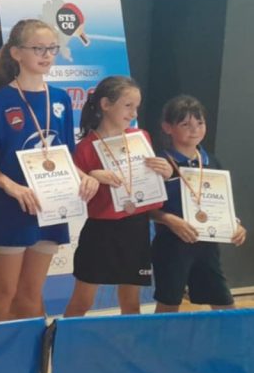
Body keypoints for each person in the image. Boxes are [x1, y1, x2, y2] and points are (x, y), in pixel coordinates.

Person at [0, 19, 98, 323]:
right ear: (16, 53)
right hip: (12, 206)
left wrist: (83, 176)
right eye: (38, 48)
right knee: (5, 291)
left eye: (52, 48)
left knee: (31, 292)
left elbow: (66, 156)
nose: (46, 55)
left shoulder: (60, 99)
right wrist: (11, 187)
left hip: (50, 206)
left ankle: (32, 350)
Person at [62, 76, 172, 317]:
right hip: (101, 231)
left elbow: (148, 179)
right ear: (105, 104)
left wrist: (165, 172)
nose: (133, 113)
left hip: (136, 227)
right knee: (82, 301)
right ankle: (64, 339)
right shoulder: (85, 147)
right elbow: (73, 192)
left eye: (137, 107)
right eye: (128, 105)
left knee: (131, 303)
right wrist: (91, 176)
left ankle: (128, 342)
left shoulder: (141, 137)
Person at [150, 95, 247, 313]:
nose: (194, 129)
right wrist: (168, 219)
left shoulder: (212, 161)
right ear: (167, 127)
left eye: (200, 123)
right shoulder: (159, 163)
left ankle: (228, 337)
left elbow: (222, 203)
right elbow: (146, 209)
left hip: (207, 246)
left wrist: (234, 223)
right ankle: (161, 337)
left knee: (225, 305)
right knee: (168, 304)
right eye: (185, 124)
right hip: (172, 245)